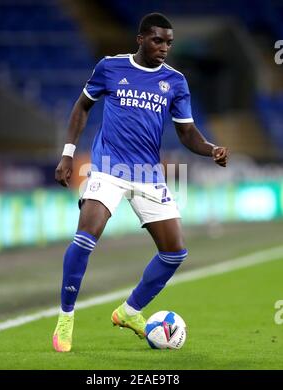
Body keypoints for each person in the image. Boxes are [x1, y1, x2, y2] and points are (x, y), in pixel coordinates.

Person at [53, 12, 228, 352]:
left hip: (147, 174)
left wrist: (211, 150)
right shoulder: (110, 67)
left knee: (175, 252)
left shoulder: (175, 82)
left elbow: (188, 132)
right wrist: (67, 154)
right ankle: (65, 317)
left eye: (169, 43)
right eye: (158, 40)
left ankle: (129, 311)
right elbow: (82, 107)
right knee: (86, 236)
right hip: (106, 168)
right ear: (141, 38)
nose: (164, 48)